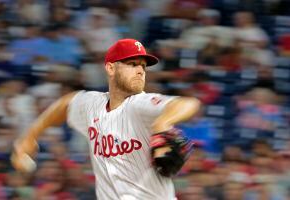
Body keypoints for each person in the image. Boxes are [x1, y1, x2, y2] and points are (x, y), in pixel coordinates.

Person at [11, 38, 201, 200]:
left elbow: (188, 103)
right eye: (132, 64)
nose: (140, 71)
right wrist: (29, 136)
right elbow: (65, 104)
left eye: (143, 66)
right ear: (110, 68)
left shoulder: (140, 104)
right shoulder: (91, 104)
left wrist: (162, 122)